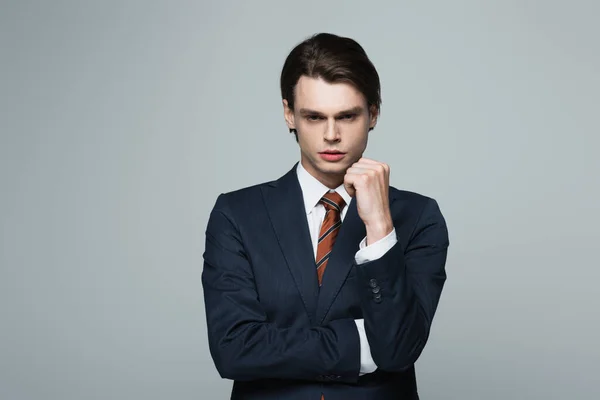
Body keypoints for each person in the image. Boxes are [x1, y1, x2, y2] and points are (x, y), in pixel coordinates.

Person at [202, 32, 449, 400]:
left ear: (373, 114)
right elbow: (233, 349)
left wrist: (380, 227)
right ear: (289, 114)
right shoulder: (237, 215)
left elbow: (397, 349)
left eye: (346, 116)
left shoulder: (418, 217)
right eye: (314, 117)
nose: (331, 135)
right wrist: (361, 347)